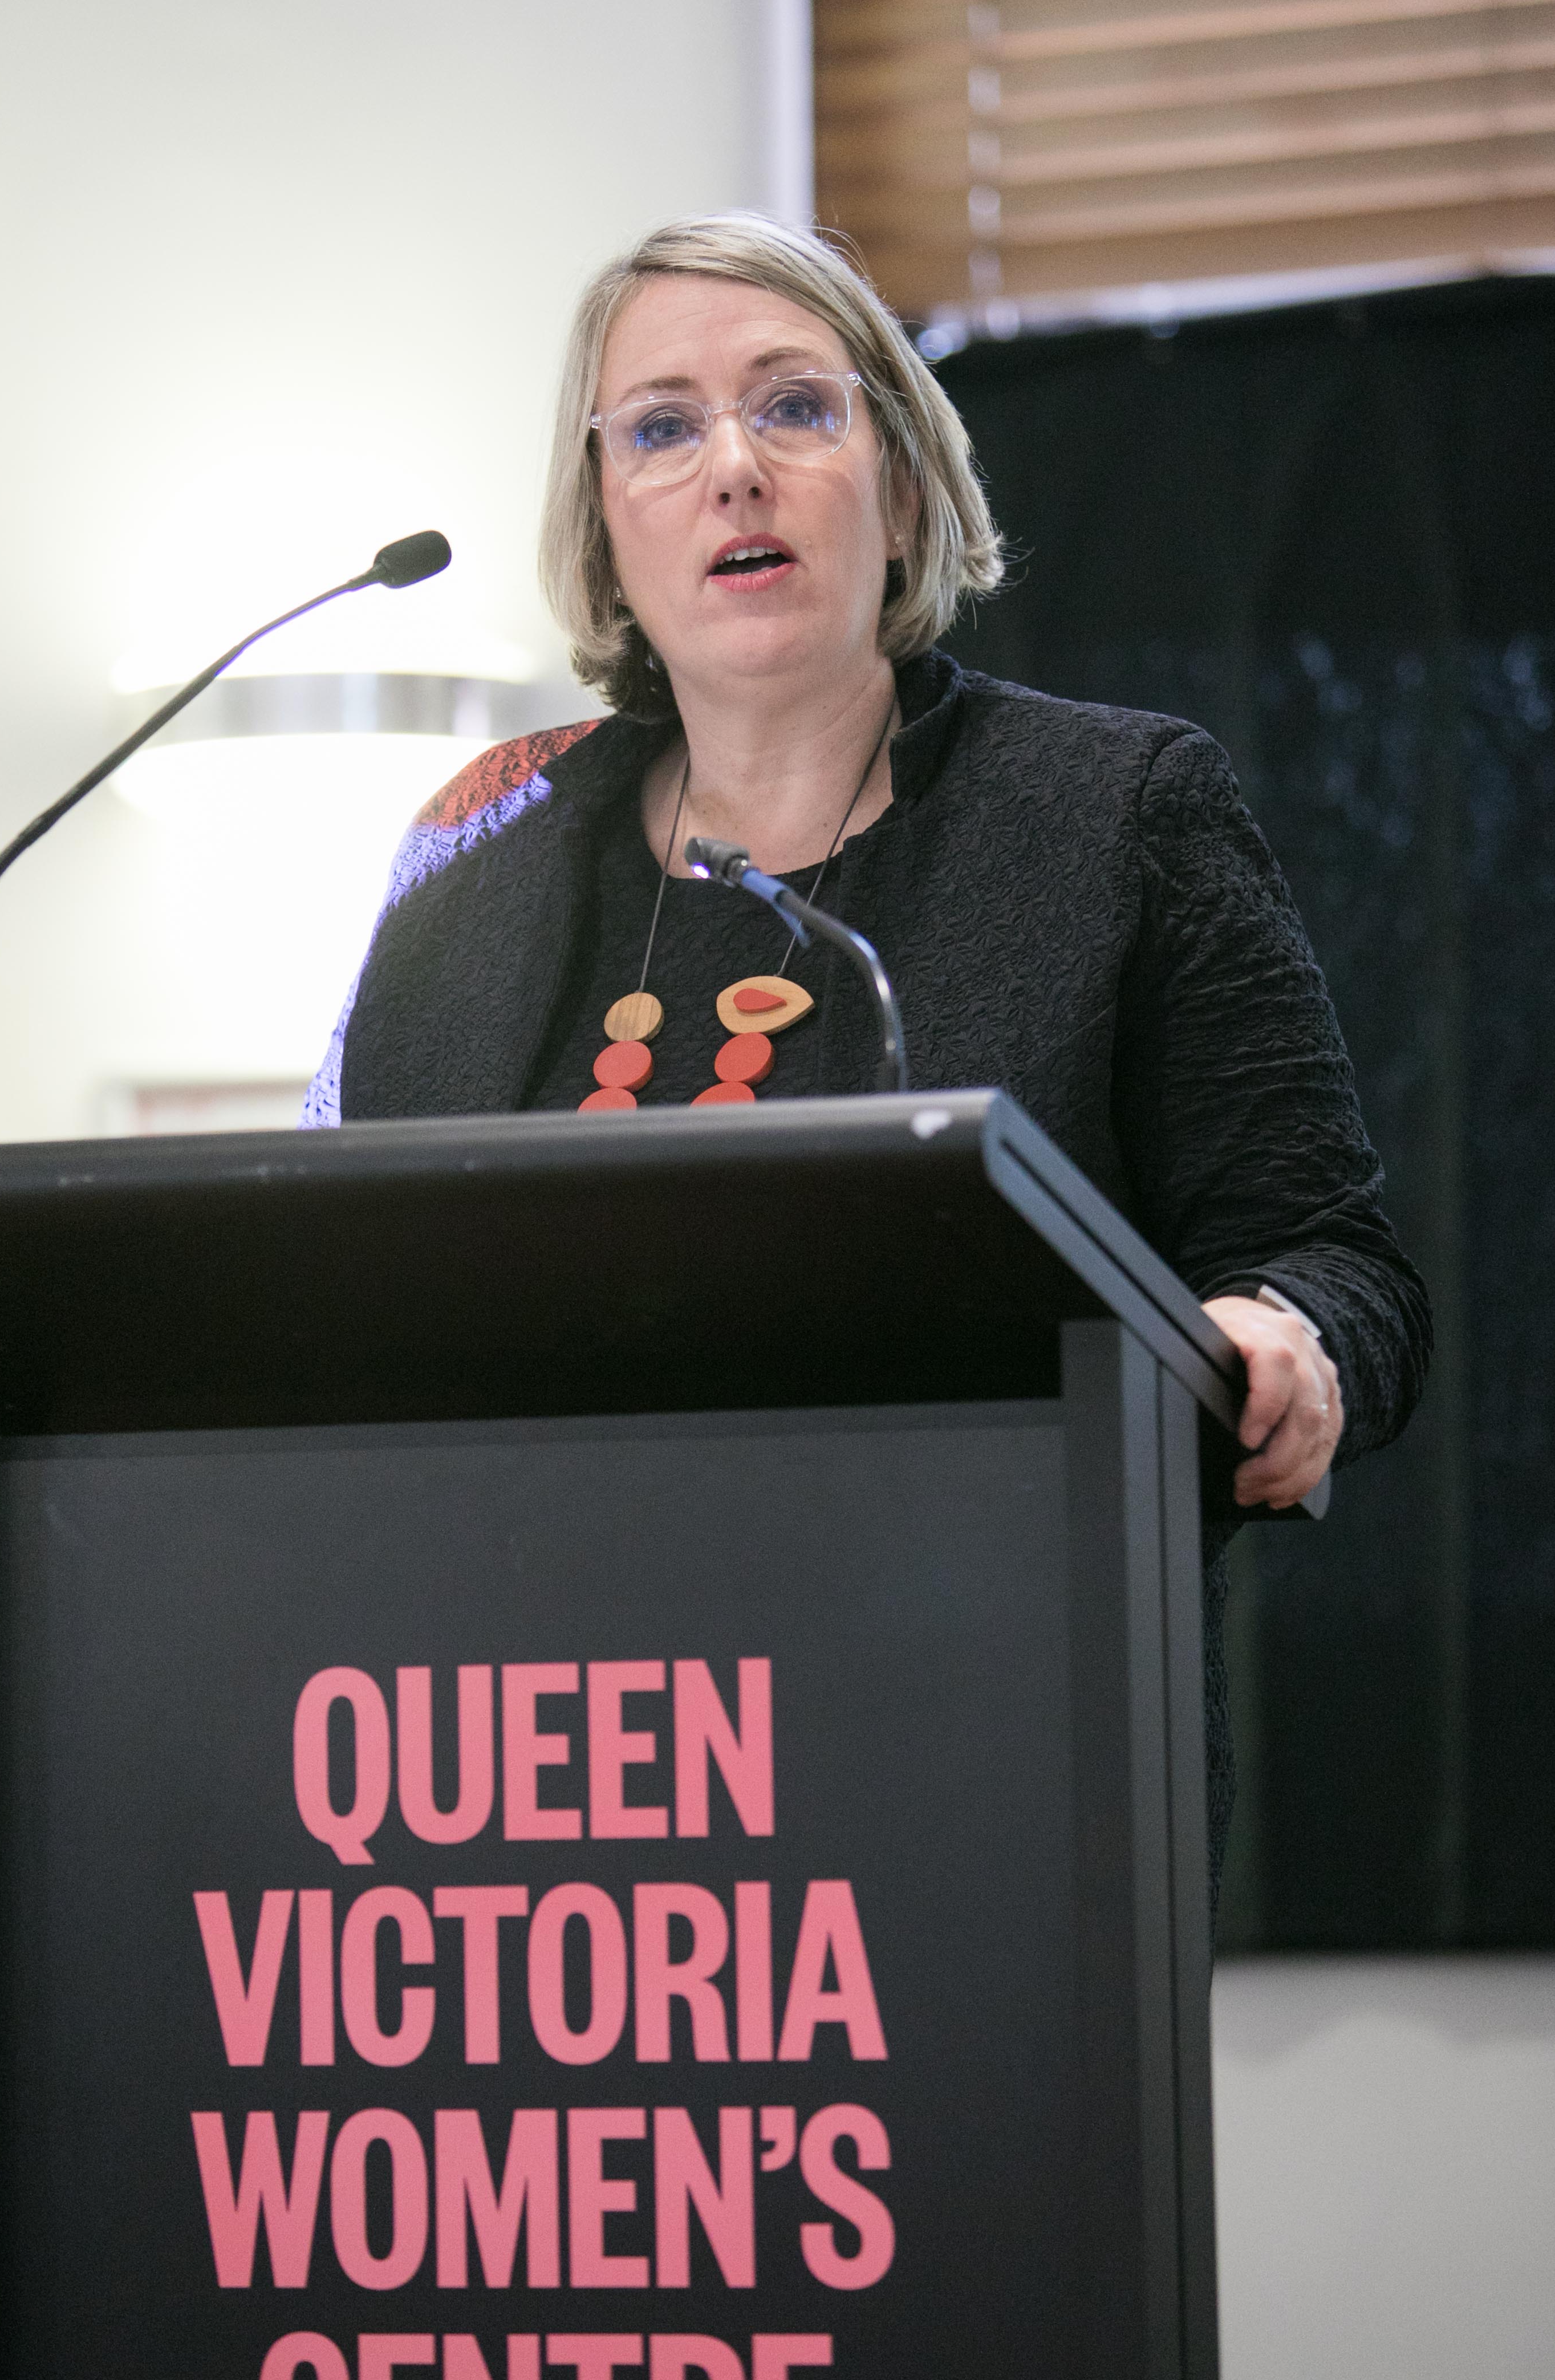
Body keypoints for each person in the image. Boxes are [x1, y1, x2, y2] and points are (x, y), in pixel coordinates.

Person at [300, 213, 1430, 1899]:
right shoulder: (479, 862)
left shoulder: (1111, 814)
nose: (732, 469)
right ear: (605, 527)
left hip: (977, 1771)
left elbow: (1335, 1260)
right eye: (663, 429)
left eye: (795, 409)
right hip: (526, 1809)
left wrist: (1287, 1333)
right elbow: (321, 1291)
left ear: (898, 484)